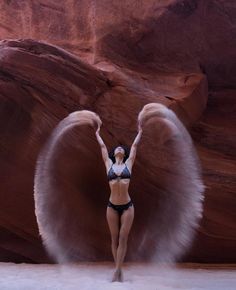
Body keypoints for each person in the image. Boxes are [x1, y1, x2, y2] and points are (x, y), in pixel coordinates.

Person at [95, 122, 142, 282]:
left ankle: (118, 270)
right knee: (114, 238)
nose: (120, 148)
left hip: (128, 206)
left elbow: (135, 147)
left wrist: (140, 131)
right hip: (112, 206)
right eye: (117, 148)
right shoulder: (109, 164)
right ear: (113, 153)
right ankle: (118, 269)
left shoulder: (129, 164)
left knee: (123, 237)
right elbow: (102, 148)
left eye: (122, 148)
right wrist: (97, 133)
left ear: (125, 154)